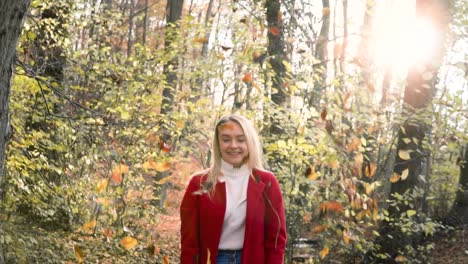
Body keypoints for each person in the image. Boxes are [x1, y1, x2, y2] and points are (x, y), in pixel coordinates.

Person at [180, 114, 287, 264]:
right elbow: (189, 241)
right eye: (226, 139)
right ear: (218, 144)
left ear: (250, 143)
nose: (233, 145)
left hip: (252, 259)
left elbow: (276, 239)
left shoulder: (267, 182)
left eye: (241, 140)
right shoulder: (199, 183)